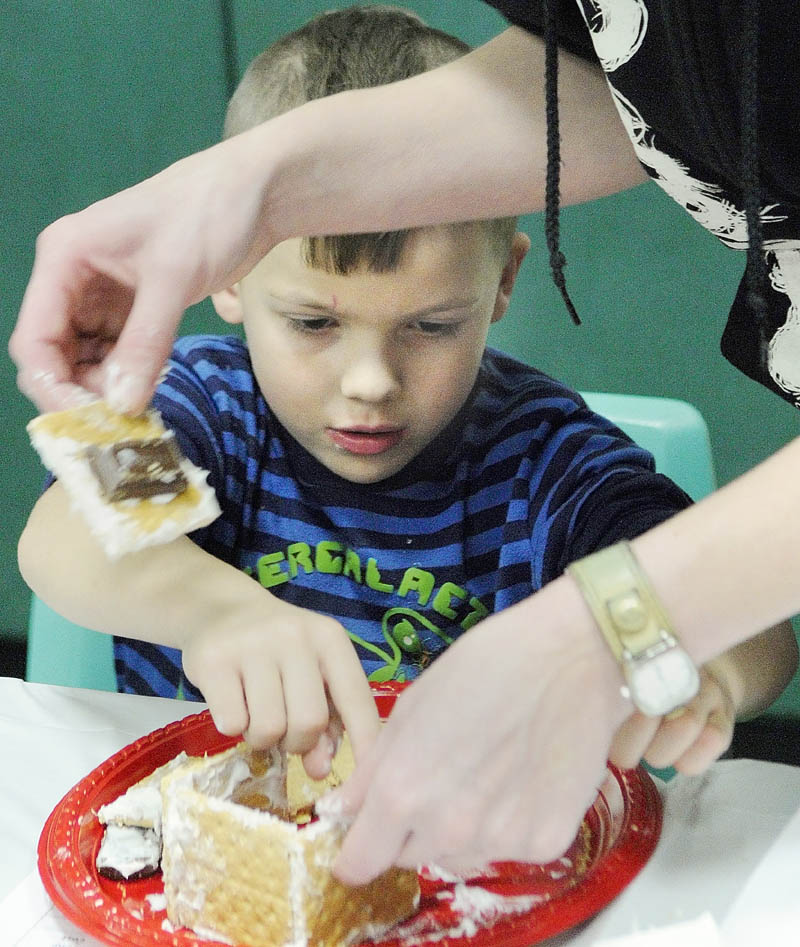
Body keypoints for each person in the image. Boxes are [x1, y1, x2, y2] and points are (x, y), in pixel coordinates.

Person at [10, 0, 800, 883]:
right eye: (312, 322)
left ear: (501, 281)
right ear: (227, 276)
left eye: (429, 325)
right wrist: (214, 610)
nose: (371, 380)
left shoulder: (541, 457)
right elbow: (67, 532)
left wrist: (687, 667)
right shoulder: (203, 406)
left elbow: (753, 623)